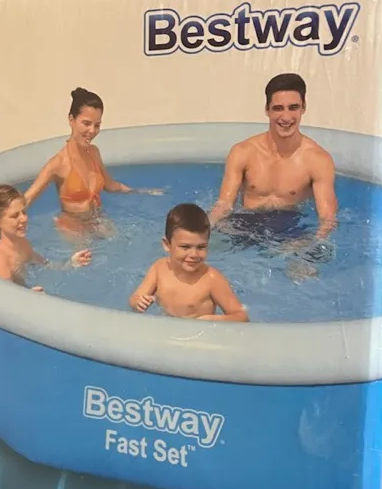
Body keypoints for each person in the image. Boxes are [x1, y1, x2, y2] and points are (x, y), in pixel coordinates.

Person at [209, 73, 337, 243]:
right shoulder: (243, 152)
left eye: (293, 107)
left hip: (289, 228)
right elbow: (224, 205)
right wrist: (205, 229)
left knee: (311, 260)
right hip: (245, 224)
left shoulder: (318, 160)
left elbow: (327, 219)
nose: (286, 117)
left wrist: (310, 243)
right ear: (267, 110)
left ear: (303, 108)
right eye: (278, 108)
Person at [24, 87, 163, 237]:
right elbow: (27, 199)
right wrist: (8, 222)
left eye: (97, 125)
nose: (92, 131)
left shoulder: (94, 153)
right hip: (72, 225)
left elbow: (110, 185)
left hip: (97, 219)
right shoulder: (58, 164)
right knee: (87, 253)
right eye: (86, 123)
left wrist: (140, 192)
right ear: (71, 120)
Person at [129, 203, 248, 322]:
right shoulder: (159, 268)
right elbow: (135, 298)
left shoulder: (211, 279)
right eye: (185, 247)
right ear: (167, 245)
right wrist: (138, 302)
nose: (194, 255)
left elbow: (241, 316)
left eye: (201, 247)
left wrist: (211, 320)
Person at [0, 184, 91, 288]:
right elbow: (4, 296)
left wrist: (70, 263)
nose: (24, 219)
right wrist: (29, 296)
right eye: (15, 216)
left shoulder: (22, 244)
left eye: (24, 212)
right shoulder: (0, 260)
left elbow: (45, 264)